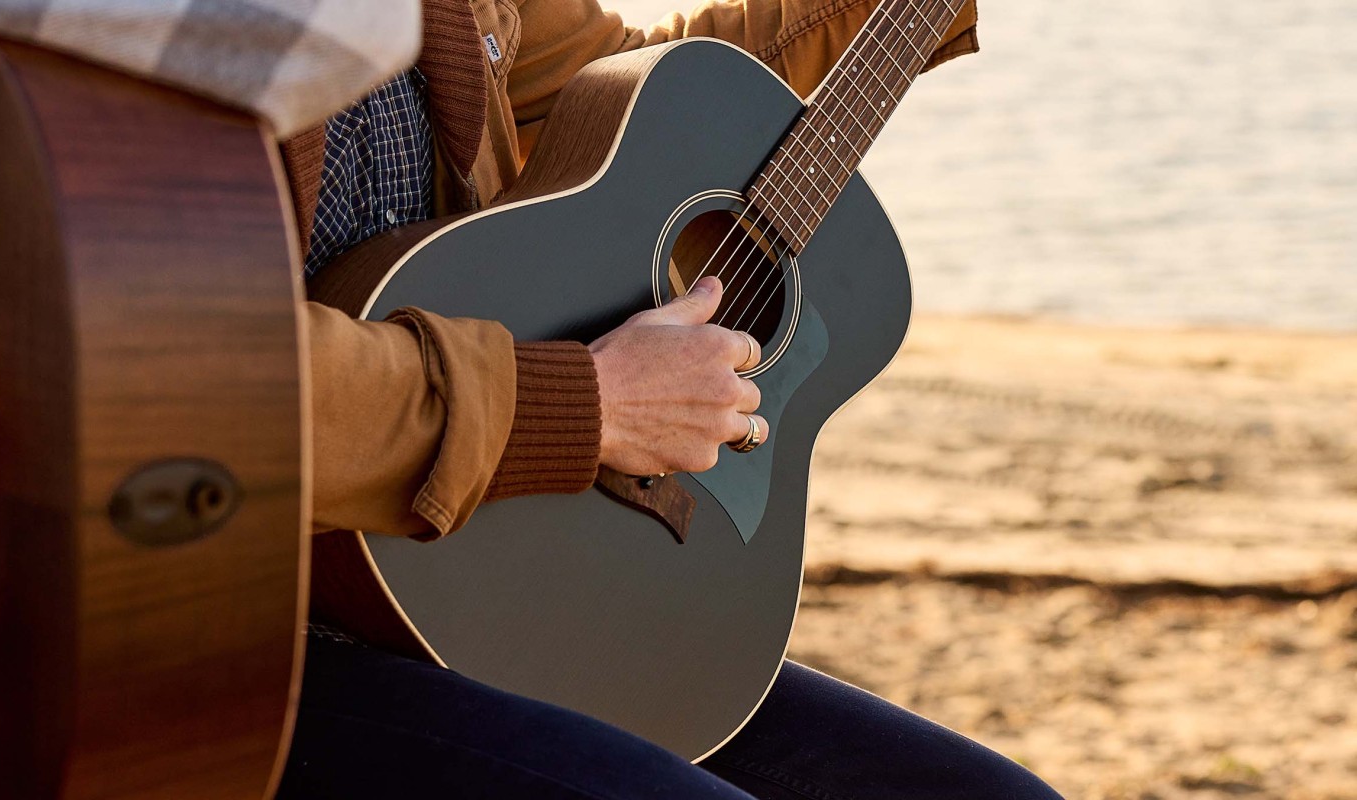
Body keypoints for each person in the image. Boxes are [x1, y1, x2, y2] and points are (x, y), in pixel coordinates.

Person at [277, 0, 1061, 798]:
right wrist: (591, 402)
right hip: (241, 625)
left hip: (491, 567)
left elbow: (623, 106)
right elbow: (181, 369)